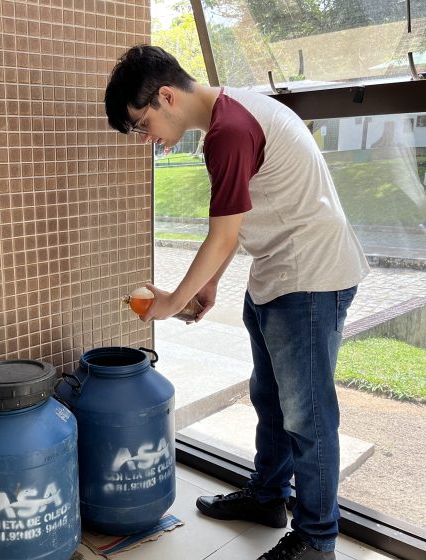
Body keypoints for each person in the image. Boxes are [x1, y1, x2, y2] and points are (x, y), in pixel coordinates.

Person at [104, 45, 369, 560]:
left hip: (311, 277)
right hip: (280, 270)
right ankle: (269, 497)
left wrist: (168, 303)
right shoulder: (226, 120)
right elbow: (238, 220)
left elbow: (221, 237)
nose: (146, 139)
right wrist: (208, 286)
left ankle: (317, 541)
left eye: (142, 125)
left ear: (165, 96)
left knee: (309, 416)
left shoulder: (229, 131)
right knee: (269, 398)